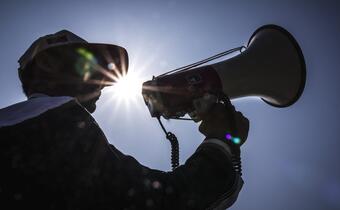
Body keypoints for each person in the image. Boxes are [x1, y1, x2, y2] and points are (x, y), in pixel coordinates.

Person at [0, 30, 249, 210]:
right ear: (51, 68)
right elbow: (166, 201)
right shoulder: (54, 119)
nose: (104, 84)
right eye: (91, 69)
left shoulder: (21, 122)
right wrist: (221, 139)